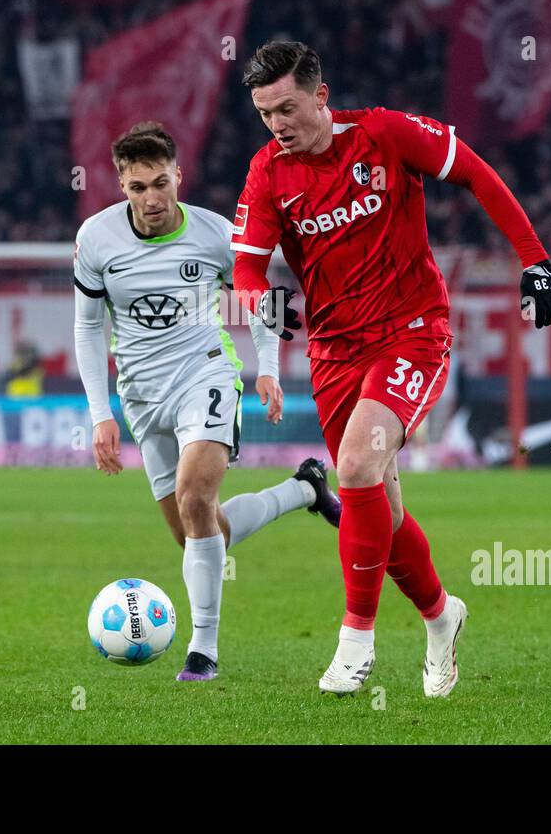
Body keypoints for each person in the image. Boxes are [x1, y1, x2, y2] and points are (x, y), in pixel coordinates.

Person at [230, 42, 551, 696]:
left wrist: (535, 259)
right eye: (265, 112)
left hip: (412, 332)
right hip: (333, 351)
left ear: (320, 96)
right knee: (376, 503)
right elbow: (247, 265)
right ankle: (442, 617)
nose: (277, 123)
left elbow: (476, 173)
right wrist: (258, 295)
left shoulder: (384, 133)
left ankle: (355, 638)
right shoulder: (267, 172)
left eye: (288, 107)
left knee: (355, 465)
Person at [74, 122, 342, 682]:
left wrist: (267, 369)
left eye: (160, 182)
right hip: (143, 397)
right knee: (199, 529)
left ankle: (204, 650)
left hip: (207, 373)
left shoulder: (216, 233)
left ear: (179, 175)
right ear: (121, 186)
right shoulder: (95, 240)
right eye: (137, 187)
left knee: (195, 496)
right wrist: (101, 414)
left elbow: (259, 298)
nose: (151, 198)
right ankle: (304, 489)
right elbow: (87, 329)